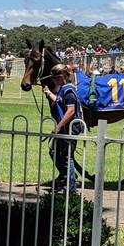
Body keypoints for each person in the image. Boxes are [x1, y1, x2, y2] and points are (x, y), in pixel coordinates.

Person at [41, 64, 81, 192]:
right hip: (65, 128)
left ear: (62, 76)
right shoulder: (63, 89)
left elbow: (70, 111)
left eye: (55, 77)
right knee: (53, 151)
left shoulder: (69, 91)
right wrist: (48, 93)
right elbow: (58, 100)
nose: (53, 80)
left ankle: (70, 188)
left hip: (69, 128)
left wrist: (58, 127)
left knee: (66, 156)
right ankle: (70, 177)